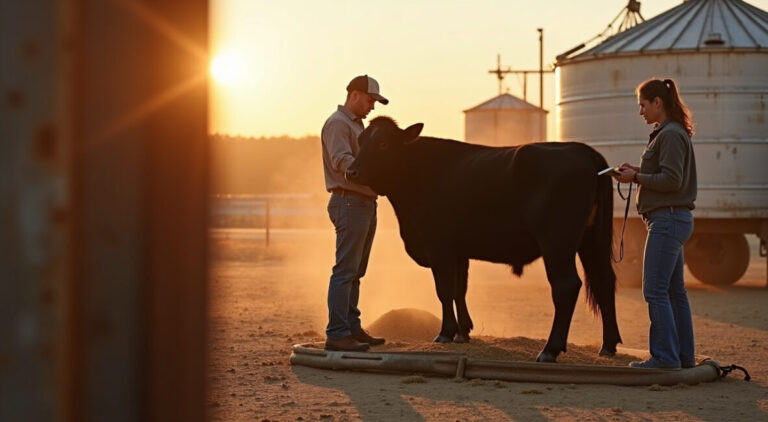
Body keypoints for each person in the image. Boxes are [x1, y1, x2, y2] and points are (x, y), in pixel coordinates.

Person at [613, 78, 698, 369]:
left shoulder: (671, 134)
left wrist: (634, 179)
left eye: (643, 104)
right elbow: (664, 171)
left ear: (657, 103)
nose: (641, 111)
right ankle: (683, 357)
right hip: (671, 219)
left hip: (667, 219)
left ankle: (664, 357)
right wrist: (636, 170)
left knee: (654, 290)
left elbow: (672, 180)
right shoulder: (668, 133)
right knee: (675, 292)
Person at [320, 75, 389, 351]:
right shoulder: (338, 124)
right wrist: (375, 172)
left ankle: (350, 326)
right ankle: (337, 333)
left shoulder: (356, 126)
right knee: (346, 270)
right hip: (349, 201)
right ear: (355, 95)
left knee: (355, 271)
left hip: (362, 202)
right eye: (371, 100)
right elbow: (341, 162)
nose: (373, 106)